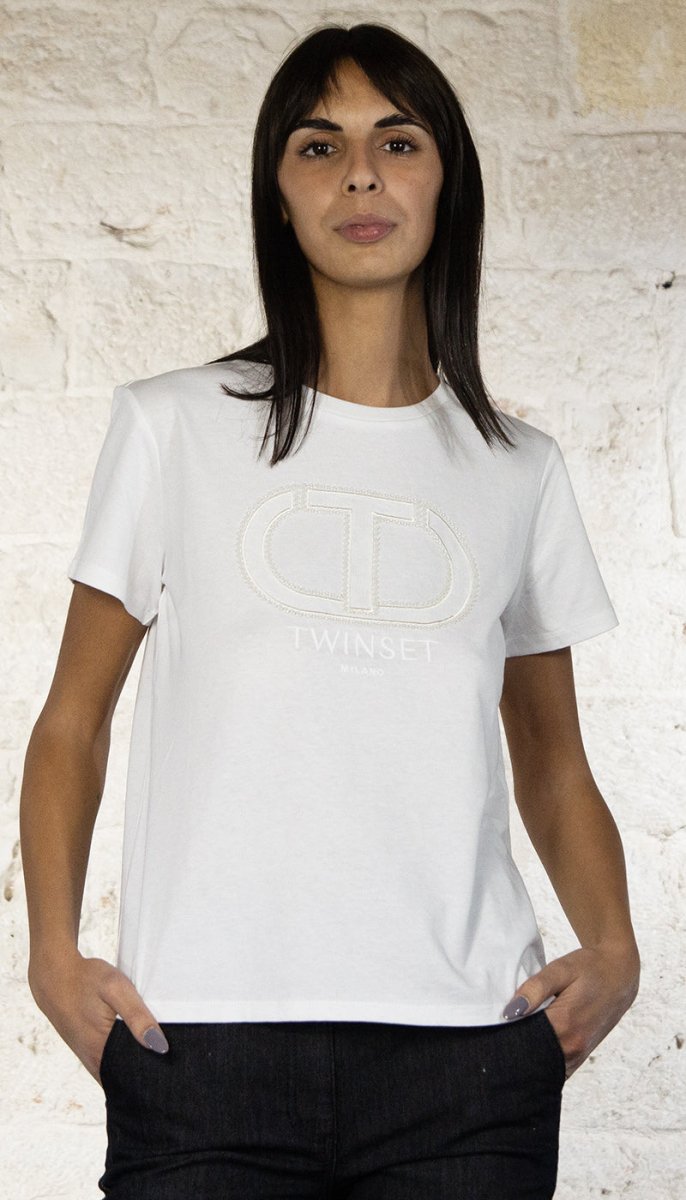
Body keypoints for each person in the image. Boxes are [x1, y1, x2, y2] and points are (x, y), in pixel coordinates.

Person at [20, 21, 641, 1200]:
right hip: (199, 1052)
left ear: (446, 182)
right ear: (279, 192)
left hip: (468, 1063)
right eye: (319, 145)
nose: (360, 174)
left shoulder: (517, 470)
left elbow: (552, 760)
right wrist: (52, 956)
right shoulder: (171, 427)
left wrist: (612, 949)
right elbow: (71, 723)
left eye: (396, 142)